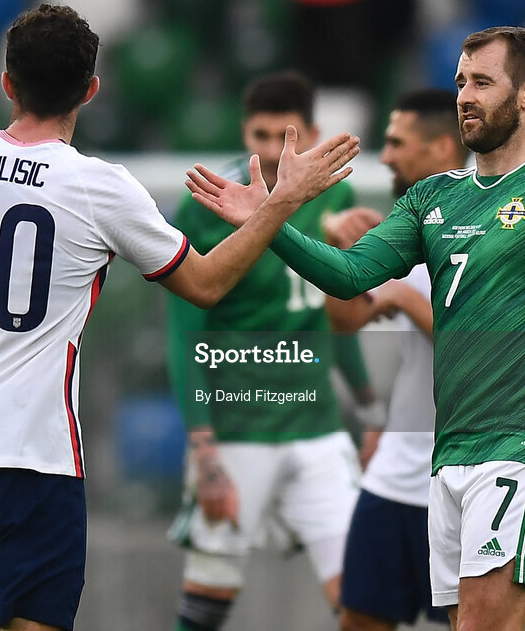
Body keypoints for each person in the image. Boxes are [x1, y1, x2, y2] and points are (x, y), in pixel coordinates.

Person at [0, 4, 361, 631]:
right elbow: (208, 284)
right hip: (36, 454)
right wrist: (282, 203)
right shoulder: (98, 186)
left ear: (7, 84)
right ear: (91, 90)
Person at [185, 26, 525, 631]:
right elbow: (351, 276)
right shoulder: (432, 198)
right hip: (449, 451)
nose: (464, 95)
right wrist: (272, 217)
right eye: (460, 82)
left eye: (482, 82)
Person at [165, 70, 397, 631]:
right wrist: (204, 449)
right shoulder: (207, 203)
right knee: (206, 607)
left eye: (284, 136)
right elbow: (185, 333)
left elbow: (332, 318)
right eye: (260, 135)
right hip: (238, 427)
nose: (270, 149)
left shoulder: (335, 195)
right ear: (244, 132)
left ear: (311, 133)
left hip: (316, 428)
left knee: (362, 600)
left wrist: (368, 411)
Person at [324, 89, 468, 631]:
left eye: (396, 143)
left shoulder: (497, 234)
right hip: (395, 475)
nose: (384, 157)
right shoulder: (405, 231)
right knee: (359, 619)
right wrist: (340, 257)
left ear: (440, 148)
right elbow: (345, 321)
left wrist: (407, 299)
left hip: (465, 478)